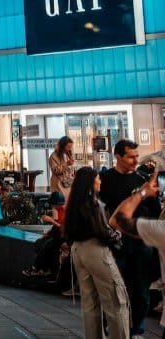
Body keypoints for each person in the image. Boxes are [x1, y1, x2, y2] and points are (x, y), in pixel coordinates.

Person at [98, 139, 158, 337]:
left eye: (136, 156)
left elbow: (154, 210)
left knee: (141, 289)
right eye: (131, 156)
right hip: (117, 242)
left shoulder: (142, 180)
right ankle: (113, 324)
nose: (135, 160)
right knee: (116, 287)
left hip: (141, 241)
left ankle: (138, 329)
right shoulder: (106, 180)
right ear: (118, 157)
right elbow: (102, 210)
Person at [65, 167, 129, 339]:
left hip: (78, 251)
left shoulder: (74, 203)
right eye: (98, 178)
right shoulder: (94, 204)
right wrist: (117, 235)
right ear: (90, 182)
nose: (100, 181)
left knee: (90, 304)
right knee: (116, 301)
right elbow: (102, 231)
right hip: (96, 251)